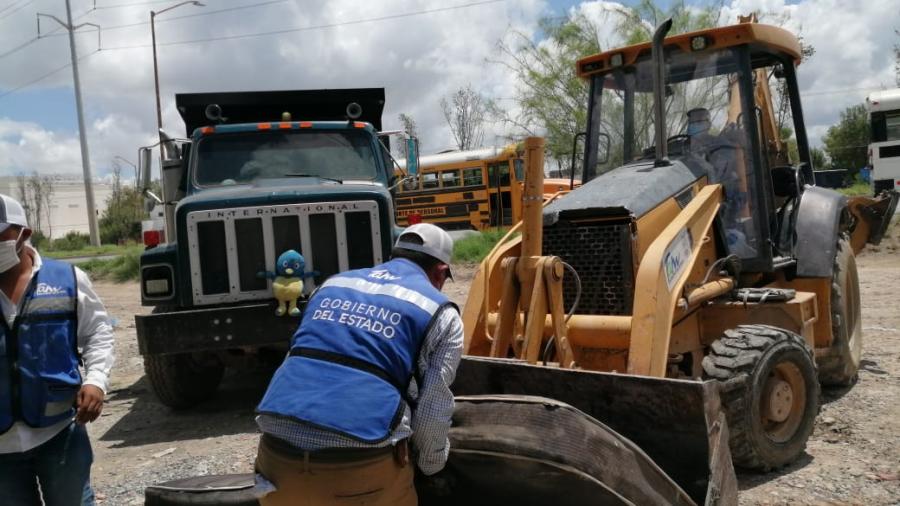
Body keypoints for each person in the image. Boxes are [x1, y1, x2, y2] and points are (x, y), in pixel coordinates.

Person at [255, 223, 463, 506]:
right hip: (358, 473)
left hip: (274, 464)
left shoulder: (331, 285)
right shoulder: (441, 313)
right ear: (440, 273)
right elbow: (432, 408)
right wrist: (431, 466)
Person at [0, 194, 115, 505]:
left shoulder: (67, 279)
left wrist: (96, 381)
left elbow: (98, 332)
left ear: (24, 233)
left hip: (60, 435)